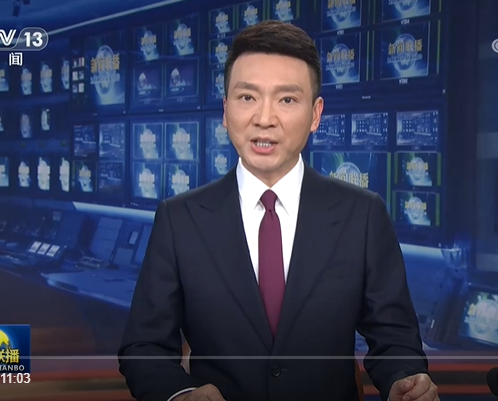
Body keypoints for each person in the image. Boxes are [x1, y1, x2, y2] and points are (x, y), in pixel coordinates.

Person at [119, 20, 439, 401]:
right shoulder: (179, 220)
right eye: (247, 97)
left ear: (316, 114)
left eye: (286, 100)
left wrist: (405, 380)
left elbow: (395, 338)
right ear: (225, 110)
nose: (264, 118)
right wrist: (181, 394)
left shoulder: (363, 215)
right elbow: (143, 348)